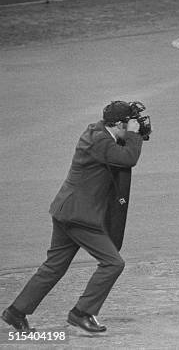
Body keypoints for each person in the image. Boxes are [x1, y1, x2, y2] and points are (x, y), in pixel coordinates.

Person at [1, 101, 145, 333]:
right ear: (118, 124)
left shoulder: (98, 133)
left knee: (54, 267)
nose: (129, 127)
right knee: (113, 263)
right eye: (127, 123)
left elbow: (121, 153)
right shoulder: (100, 141)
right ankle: (82, 312)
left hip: (67, 211)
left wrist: (131, 136)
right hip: (80, 217)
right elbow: (128, 158)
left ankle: (15, 312)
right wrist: (135, 137)